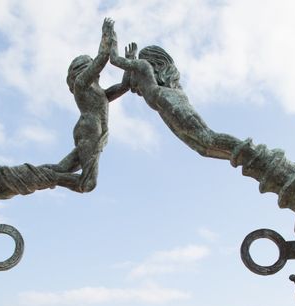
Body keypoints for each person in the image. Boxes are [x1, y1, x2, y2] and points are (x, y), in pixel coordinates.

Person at [108, 25, 241, 162]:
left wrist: (110, 38)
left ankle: (251, 152)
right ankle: (242, 159)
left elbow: (114, 59)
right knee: (202, 148)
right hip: (164, 105)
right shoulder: (139, 70)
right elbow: (125, 85)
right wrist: (130, 60)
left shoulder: (143, 65)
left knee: (207, 137)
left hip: (167, 99)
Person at [48, 18, 129, 193]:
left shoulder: (99, 92)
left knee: (61, 168)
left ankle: (32, 174)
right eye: (90, 64)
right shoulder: (81, 83)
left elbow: (124, 86)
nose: (95, 70)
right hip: (89, 129)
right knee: (88, 183)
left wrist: (130, 63)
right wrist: (107, 34)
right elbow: (102, 58)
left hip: (92, 130)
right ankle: (47, 178)